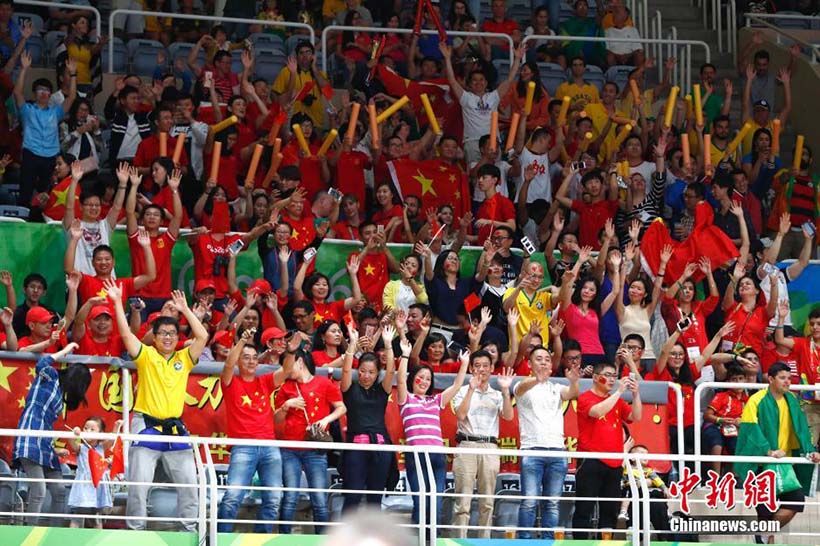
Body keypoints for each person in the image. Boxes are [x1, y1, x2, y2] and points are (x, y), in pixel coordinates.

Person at [107, 284, 209, 532]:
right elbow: (126, 335)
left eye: (172, 333)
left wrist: (185, 309)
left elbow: (203, 337)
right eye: (162, 333)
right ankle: (136, 532)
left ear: (177, 337)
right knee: (139, 486)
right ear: (154, 336)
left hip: (174, 430)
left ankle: (189, 530)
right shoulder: (146, 356)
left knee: (190, 483)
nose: (167, 337)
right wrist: (118, 302)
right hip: (146, 426)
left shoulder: (184, 358)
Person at [736, 362, 820, 545]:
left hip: (785, 463)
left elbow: (802, 429)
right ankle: (765, 534)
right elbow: (750, 430)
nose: (788, 382)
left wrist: (810, 450)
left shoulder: (792, 400)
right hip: (761, 465)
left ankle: (763, 533)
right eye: (783, 378)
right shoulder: (756, 400)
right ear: (771, 379)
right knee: (765, 513)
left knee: (796, 500)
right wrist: (768, 451)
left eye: (789, 378)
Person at [217, 327, 292, 532]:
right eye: (246, 358)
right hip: (243, 447)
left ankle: (261, 538)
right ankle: (221, 539)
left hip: (269, 446)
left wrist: (291, 352)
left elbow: (286, 370)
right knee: (233, 497)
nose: (251, 361)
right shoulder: (230, 382)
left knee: (274, 498)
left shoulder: (265, 381)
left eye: (253, 358)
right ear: (239, 362)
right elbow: (228, 364)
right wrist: (241, 341)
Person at [274, 334, 346, 534]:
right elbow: (276, 420)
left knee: (320, 499)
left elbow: (341, 408)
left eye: (288, 365)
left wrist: (326, 420)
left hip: (315, 447)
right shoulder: (286, 388)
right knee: (290, 497)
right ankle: (283, 539)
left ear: (299, 361)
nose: (285, 371)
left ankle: (322, 539)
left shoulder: (324, 383)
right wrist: (286, 406)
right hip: (290, 448)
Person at [13, 342, 90, 526]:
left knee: (59, 490)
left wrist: (55, 450)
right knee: (38, 490)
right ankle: (29, 532)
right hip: (29, 439)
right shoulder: (51, 376)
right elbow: (41, 364)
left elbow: (46, 424)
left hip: (45, 446)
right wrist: (64, 351)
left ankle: (54, 533)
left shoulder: (61, 395)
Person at [397, 346, 469, 536]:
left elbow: (456, 386)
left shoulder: (435, 400)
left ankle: (432, 540)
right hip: (417, 456)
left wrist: (465, 364)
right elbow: (400, 380)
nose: (425, 381)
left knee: (436, 503)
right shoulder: (406, 399)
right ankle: (417, 540)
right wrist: (405, 355)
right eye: (421, 377)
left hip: (437, 456)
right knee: (421, 502)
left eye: (429, 379)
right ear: (413, 379)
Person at [514, 347, 580, 538]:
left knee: (552, 503)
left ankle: (548, 540)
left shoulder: (556, 387)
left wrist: (574, 381)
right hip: (532, 450)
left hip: (557, 451)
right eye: (539, 359)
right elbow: (519, 389)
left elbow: (571, 393)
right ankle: (524, 541)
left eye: (547, 360)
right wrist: (537, 379)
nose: (543, 362)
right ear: (529, 363)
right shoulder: (523, 386)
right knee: (529, 501)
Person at [573, 361, 642, 539]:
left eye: (614, 375)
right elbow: (596, 412)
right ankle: (581, 544)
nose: (612, 379)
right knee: (584, 509)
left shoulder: (617, 401)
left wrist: (635, 395)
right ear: (596, 378)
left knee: (609, 511)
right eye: (608, 375)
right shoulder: (585, 397)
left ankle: (606, 543)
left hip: (614, 462)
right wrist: (619, 391)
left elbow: (636, 416)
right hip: (591, 460)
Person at [451, 352, 514, 538]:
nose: (481, 369)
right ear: (471, 369)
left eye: (485, 365)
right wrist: (471, 389)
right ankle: (459, 540)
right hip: (467, 444)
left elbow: (509, 416)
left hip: (490, 447)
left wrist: (505, 391)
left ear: (492, 368)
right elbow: (461, 415)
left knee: (487, 501)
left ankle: (484, 540)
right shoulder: (462, 390)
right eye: (477, 365)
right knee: (463, 500)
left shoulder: (496, 394)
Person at [340, 325, 397, 511]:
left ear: (377, 374)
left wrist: (388, 345)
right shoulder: (350, 388)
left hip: (380, 449)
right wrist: (352, 345)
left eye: (371, 372)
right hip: (356, 447)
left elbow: (390, 372)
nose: (366, 375)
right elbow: (346, 371)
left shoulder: (382, 390)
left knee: (374, 499)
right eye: (363, 371)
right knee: (352, 497)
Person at [14, 52, 78, 206]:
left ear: (50, 94)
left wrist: (73, 74)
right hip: (31, 153)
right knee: (26, 191)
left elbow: (72, 97)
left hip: (50, 156)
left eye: (47, 90)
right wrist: (24, 69)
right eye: (40, 90)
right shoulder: (27, 110)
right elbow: (17, 92)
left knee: (46, 194)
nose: (44, 93)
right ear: (35, 93)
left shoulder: (56, 111)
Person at [775, 306, 820, 444]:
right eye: (812, 324)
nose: (815, 327)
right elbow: (780, 340)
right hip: (809, 403)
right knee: (810, 442)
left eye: (819, 324)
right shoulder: (803, 344)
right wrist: (781, 318)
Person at [66, 417, 121, 528]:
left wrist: (117, 426)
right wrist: (75, 432)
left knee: (96, 516)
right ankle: (71, 539)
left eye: (92, 429)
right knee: (78, 515)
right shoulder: (81, 447)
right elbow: (71, 442)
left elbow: (112, 441)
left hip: (97, 485)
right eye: (85, 428)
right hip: (83, 486)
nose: (87, 431)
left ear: (100, 433)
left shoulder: (101, 447)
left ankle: (97, 540)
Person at [702, 364, 748, 475]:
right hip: (715, 425)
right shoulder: (722, 396)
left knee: (737, 446)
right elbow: (707, 415)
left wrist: (742, 422)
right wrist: (720, 420)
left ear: (745, 380)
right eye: (734, 379)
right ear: (728, 382)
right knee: (717, 444)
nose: (737, 382)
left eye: (740, 379)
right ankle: (716, 478)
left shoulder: (748, 400)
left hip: (734, 429)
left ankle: (733, 478)